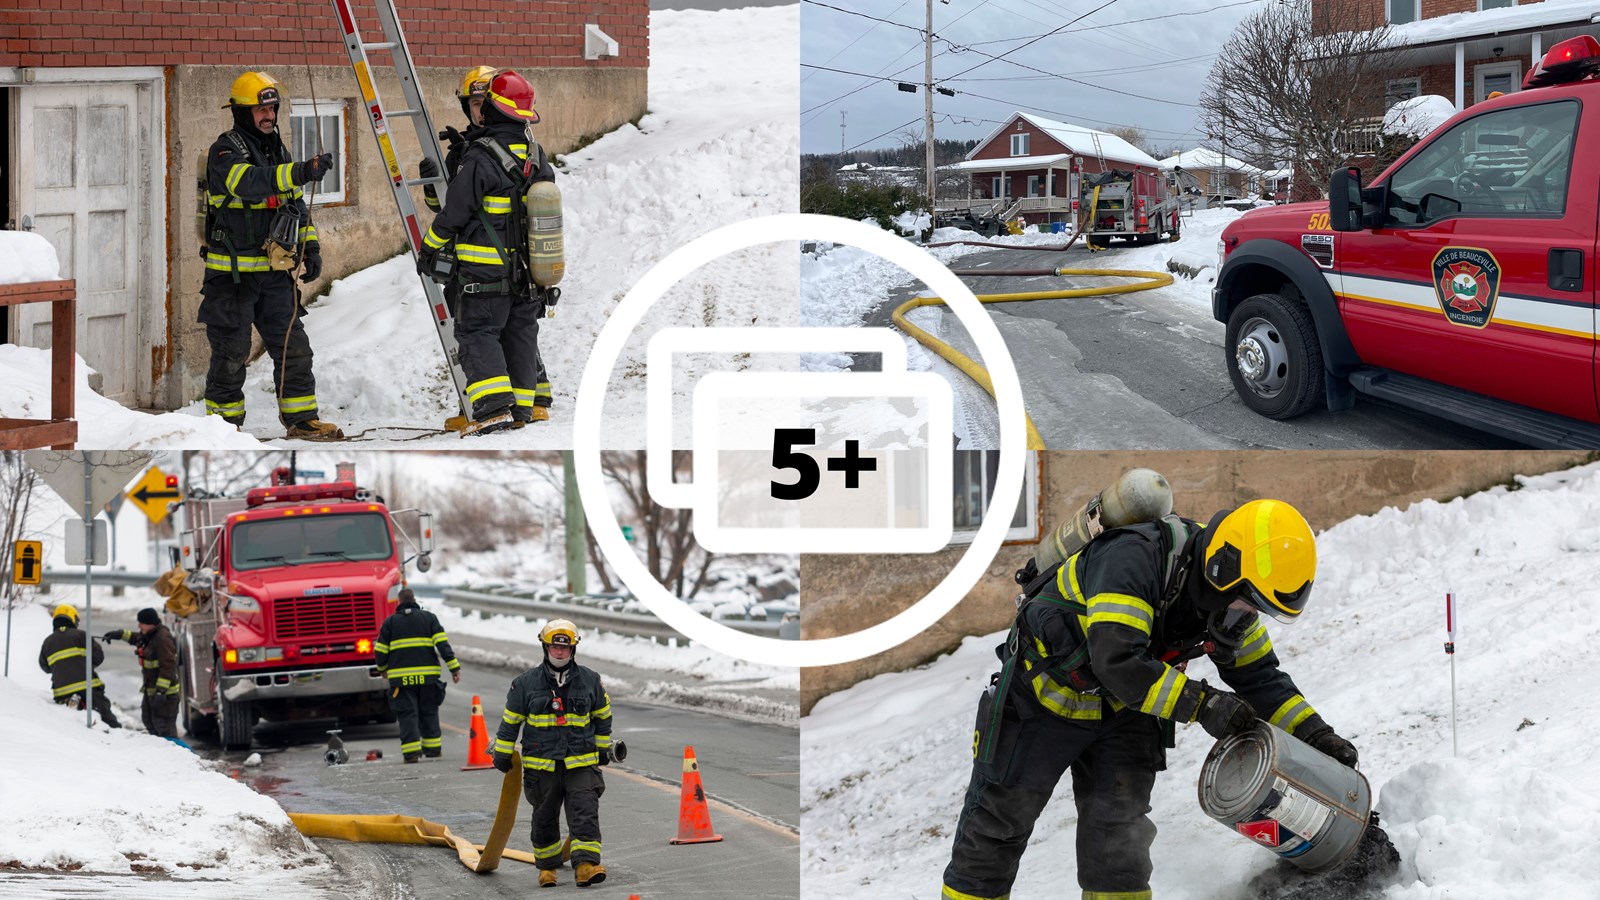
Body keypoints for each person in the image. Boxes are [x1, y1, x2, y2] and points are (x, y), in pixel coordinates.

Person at [942, 499, 1360, 900]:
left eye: (1257, 609)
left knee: (1119, 839)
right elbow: (1118, 660)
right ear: (1221, 569)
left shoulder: (1233, 600)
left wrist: (1317, 736)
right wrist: (1203, 705)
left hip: (1127, 710)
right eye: (1248, 603)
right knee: (998, 826)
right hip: (1042, 700)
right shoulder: (1133, 559)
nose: (1248, 615)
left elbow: (1262, 678)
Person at [202, 70, 343, 441]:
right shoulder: (224, 150)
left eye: (272, 108)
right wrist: (299, 171)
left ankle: (302, 420)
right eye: (260, 109)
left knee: (294, 348)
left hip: (274, 276)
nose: (268, 115)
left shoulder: (276, 149)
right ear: (240, 112)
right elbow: (247, 184)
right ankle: (221, 429)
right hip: (231, 278)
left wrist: (310, 246)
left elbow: (294, 204)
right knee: (232, 354)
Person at [415, 69, 557, 433]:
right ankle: (522, 409)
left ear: (495, 109)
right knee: (519, 334)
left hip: (485, 273)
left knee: (477, 332)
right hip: (527, 275)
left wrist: (428, 249)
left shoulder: (481, 157)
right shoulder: (536, 155)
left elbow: (456, 212)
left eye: (486, 104)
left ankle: (494, 410)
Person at [493, 619, 613, 888]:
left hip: (581, 763)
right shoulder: (524, 684)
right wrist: (503, 753)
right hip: (542, 766)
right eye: (554, 648)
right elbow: (510, 722)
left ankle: (585, 866)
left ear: (573, 649)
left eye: (565, 648)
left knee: (585, 812)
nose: (560, 653)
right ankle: (547, 870)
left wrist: (603, 748)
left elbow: (603, 717)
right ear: (545, 647)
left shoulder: (591, 681)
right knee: (544, 816)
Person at [374, 588, 461, 762]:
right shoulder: (429, 618)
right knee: (429, 711)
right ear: (415, 600)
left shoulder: (390, 623)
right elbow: (443, 645)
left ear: (399, 602)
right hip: (428, 678)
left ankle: (411, 754)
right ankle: (433, 750)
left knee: (407, 714)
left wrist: (383, 669)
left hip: (402, 680)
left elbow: (380, 651)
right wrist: (454, 668)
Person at [39, 604, 120, 728]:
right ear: (73, 619)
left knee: (73, 726)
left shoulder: (47, 642)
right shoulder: (82, 635)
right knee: (107, 719)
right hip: (88, 688)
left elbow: (45, 667)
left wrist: (61, 667)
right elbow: (98, 657)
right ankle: (117, 741)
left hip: (62, 692)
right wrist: (83, 664)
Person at [104, 607, 179, 737]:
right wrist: (119, 634)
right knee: (149, 721)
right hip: (152, 691)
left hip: (165, 696)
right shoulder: (150, 635)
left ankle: (174, 752)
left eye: (141, 623)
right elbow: (137, 638)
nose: (139, 626)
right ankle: (161, 752)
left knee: (164, 726)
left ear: (150, 623)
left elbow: (168, 666)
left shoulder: (162, 639)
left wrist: (161, 691)